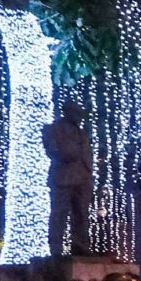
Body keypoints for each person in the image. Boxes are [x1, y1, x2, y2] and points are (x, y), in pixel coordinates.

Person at [43, 100, 93, 259]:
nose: (79, 117)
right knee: (59, 213)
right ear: (67, 112)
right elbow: (53, 150)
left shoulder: (82, 132)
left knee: (81, 213)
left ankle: (80, 245)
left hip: (83, 177)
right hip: (63, 177)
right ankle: (56, 247)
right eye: (76, 113)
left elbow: (87, 154)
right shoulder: (52, 129)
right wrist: (71, 153)